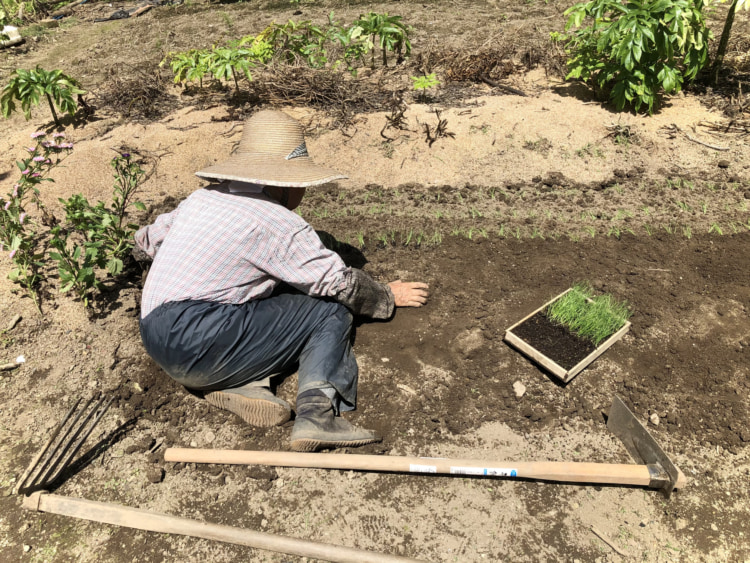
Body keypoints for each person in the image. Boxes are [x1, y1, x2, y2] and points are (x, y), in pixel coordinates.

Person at [135, 110, 429, 452]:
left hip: (154, 334)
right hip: (200, 339)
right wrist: (385, 296)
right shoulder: (277, 221)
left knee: (267, 293)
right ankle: (317, 415)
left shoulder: (201, 199)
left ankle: (240, 382)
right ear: (286, 183)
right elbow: (336, 283)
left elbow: (146, 241)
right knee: (329, 311)